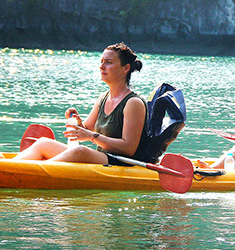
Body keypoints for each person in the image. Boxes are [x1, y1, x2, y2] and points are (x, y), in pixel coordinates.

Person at [13, 42, 150, 165]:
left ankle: (33, 171)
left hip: (123, 162)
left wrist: (91, 136)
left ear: (125, 68)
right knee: (43, 143)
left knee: (80, 151)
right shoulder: (104, 97)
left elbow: (128, 148)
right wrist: (78, 123)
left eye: (108, 62)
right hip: (103, 157)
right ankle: (13, 166)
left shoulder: (133, 103)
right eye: (102, 61)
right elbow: (87, 129)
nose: (101, 67)